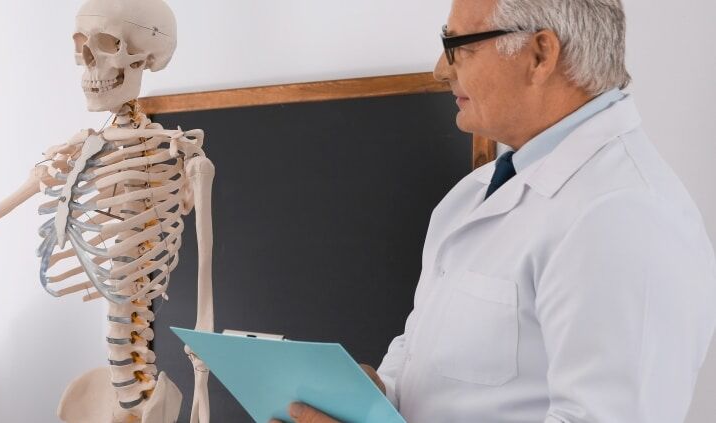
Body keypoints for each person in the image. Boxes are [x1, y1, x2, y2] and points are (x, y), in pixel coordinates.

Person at [278, 0, 716, 421]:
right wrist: (376, 400)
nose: (439, 69)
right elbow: (429, 367)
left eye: (460, 47)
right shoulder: (470, 196)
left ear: (540, 54)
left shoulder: (625, 216)